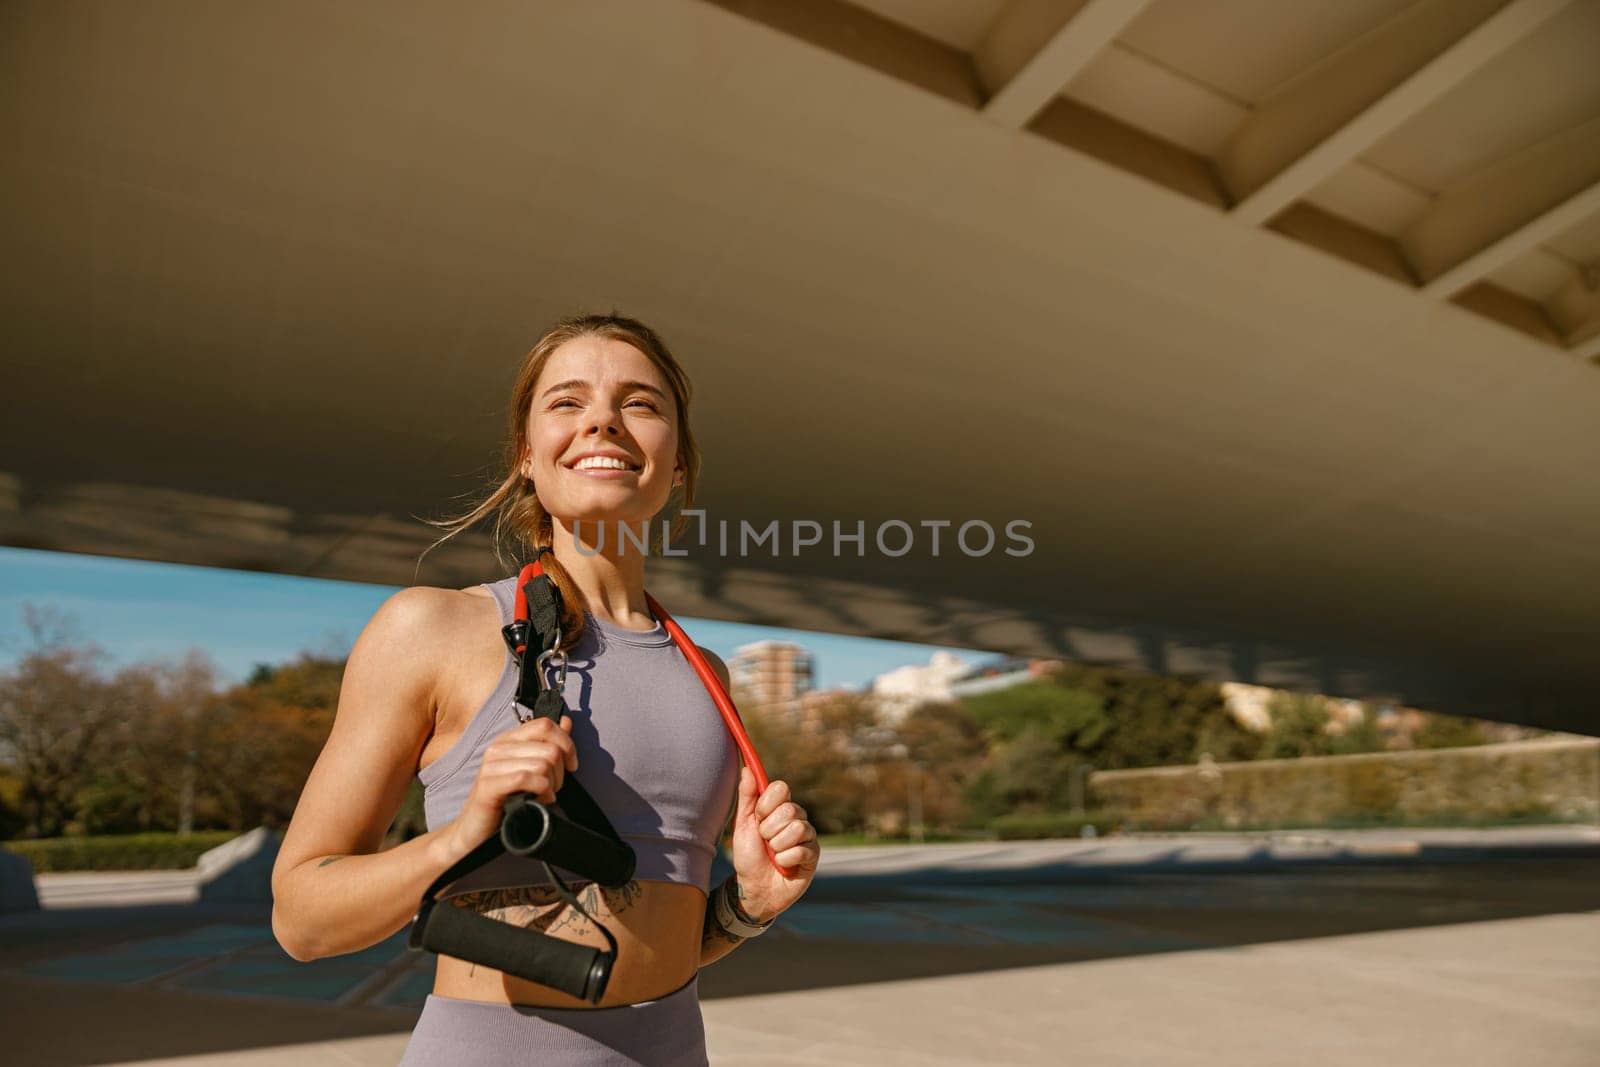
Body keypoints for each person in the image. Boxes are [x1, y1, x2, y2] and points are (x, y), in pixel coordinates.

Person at [269, 313, 822, 1066]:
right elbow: (301, 919)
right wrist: (464, 837)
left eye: (641, 403)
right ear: (528, 456)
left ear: (679, 462)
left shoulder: (710, 678)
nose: (603, 418)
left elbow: (647, 952)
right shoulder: (432, 627)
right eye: (567, 401)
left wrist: (747, 905)